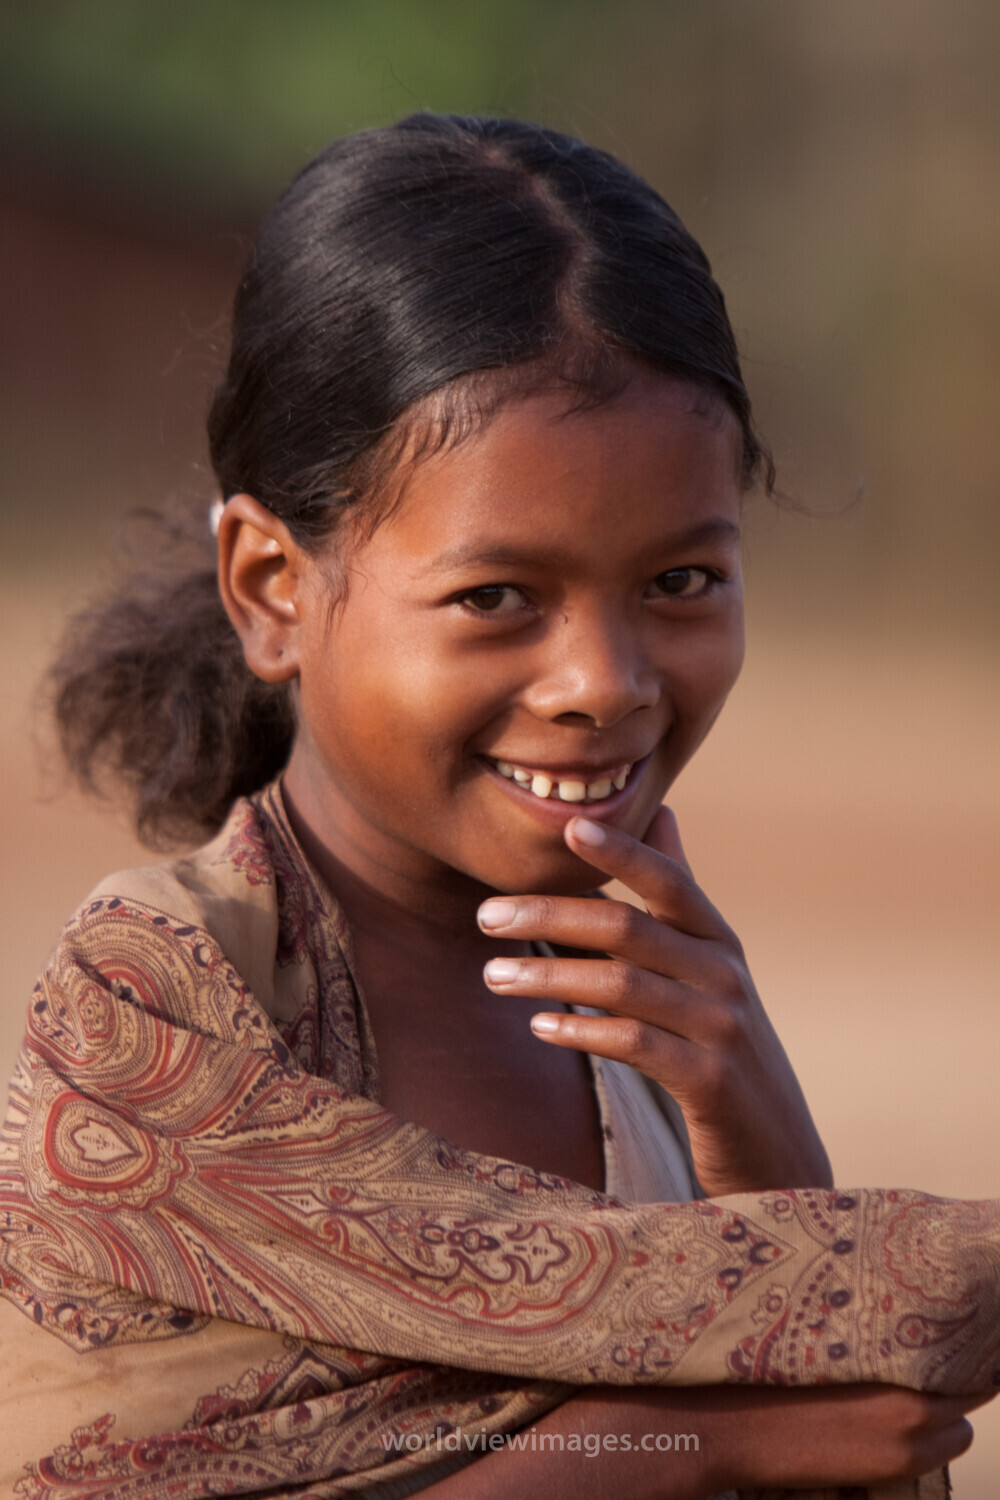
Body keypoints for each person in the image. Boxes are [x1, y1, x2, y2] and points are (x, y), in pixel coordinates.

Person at [1, 113, 997, 1500]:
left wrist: (763, 1129)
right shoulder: (162, 1001)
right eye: (494, 598)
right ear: (272, 589)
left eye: (681, 582)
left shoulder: (646, 1020)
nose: (606, 681)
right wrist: (698, 1440)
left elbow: (852, 1419)